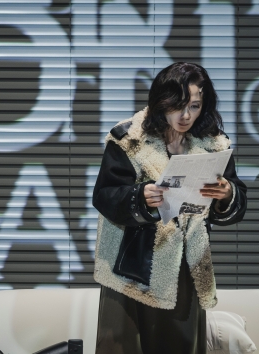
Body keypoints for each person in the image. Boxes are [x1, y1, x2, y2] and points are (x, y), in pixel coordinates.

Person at [92, 62, 247, 354]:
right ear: (161, 101)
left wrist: (227, 193)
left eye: (194, 106)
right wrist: (140, 196)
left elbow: (236, 203)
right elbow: (104, 196)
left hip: (184, 268)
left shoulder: (214, 144)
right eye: (177, 105)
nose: (185, 115)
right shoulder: (129, 139)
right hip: (131, 270)